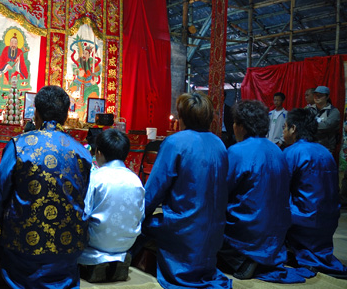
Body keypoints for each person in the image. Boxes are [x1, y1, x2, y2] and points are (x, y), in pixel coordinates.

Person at [0, 85, 93, 289]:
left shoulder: (20, 145)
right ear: (66, 115)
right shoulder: (82, 151)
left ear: (37, 113)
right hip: (68, 247)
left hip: (24, 245)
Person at [136, 92, 231, 288]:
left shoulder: (176, 142)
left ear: (182, 118)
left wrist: (136, 216)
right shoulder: (219, 144)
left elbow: (153, 191)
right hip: (215, 230)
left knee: (139, 226)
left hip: (183, 228)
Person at [219, 100, 312, 282]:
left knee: (203, 226)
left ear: (242, 127)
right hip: (276, 234)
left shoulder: (237, 151)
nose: (234, 128)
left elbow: (222, 192)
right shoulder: (277, 151)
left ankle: (241, 259)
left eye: (235, 124)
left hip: (248, 231)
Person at [282, 108, 347, 278]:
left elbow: (279, 191)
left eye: (285, 127)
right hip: (329, 221)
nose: (283, 131)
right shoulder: (326, 152)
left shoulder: (291, 152)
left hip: (303, 221)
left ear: (294, 129)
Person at [78, 128, 145, 283]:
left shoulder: (96, 177)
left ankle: (95, 263)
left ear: (98, 153)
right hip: (127, 241)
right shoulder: (136, 180)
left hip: (97, 241)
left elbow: (84, 213)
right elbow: (140, 215)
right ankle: (117, 260)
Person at [310, 86, 341, 155]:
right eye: (315, 95)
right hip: (310, 146)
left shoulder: (333, 111)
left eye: (320, 95)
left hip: (326, 149)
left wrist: (309, 125)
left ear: (327, 97)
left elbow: (326, 126)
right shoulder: (309, 109)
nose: (317, 97)